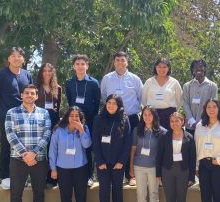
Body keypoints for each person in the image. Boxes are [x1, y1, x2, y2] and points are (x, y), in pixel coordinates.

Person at [5, 84, 51, 202]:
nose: (30, 95)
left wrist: (34, 154)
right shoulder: (12, 113)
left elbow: (47, 134)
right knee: (16, 194)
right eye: (27, 93)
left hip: (39, 160)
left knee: (39, 193)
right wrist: (25, 154)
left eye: (33, 93)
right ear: (21, 95)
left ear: (37, 96)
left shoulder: (44, 113)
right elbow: (10, 135)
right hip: (18, 160)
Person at [0, 47, 33, 190]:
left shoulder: (27, 74)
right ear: (8, 59)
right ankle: (5, 177)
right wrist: (0, 109)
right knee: (7, 145)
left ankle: (22, 177)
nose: (16, 58)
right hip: (6, 116)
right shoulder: (0, 74)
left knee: (24, 145)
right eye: (13, 56)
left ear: (23, 59)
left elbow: (31, 93)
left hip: (24, 116)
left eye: (19, 56)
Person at [101, 51, 143, 186]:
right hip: (112, 118)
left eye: (123, 60)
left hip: (131, 118)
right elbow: (104, 96)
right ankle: (115, 175)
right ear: (114, 62)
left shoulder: (135, 79)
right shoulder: (107, 78)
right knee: (115, 145)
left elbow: (142, 97)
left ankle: (130, 175)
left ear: (127, 62)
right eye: (117, 60)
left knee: (131, 146)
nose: (120, 62)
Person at [49, 106, 91, 202]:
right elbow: (52, 150)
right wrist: (53, 169)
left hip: (80, 168)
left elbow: (87, 145)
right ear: (67, 116)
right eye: (71, 115)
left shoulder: (84, 128)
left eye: (76, 116)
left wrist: (81, 130)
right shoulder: (58, 130)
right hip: (63, 169)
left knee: (81, 197)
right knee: (65, 198)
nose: (74, 118)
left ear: (80, 117)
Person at [92, 94, 131, 202]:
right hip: (103, 164)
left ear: (119, 105)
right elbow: (95, 141)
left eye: (114, 103)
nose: (111, 105)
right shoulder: (98, 119)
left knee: (117, 193)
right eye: (109, 102)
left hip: (118, 164)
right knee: (103, 193)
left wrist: (121, 161)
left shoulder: (124, 119)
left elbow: (127, 142)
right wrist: (99, 161)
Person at [156, 112, 196, 202]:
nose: (174, 123)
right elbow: (159, 156)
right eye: (172, 121)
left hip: (183, 171)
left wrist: (191, 176)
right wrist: (158, 174)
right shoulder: (164, 136)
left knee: (181, 200)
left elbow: (192, 158)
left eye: (177, 121)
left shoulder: (189, 137)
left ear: (182, 122)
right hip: (167, 170)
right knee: (170, 200)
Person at [65, 55, 100, 186]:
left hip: (89, 120)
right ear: (74, 66)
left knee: (88, 148)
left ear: (87, 66)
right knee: (75, 145)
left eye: (82, 64)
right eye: (77, 64)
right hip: (74, 119)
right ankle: (75, 174)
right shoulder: (69, 82)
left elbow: (97, 103)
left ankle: (89, 176)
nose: (80, 66)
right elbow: (70, 101)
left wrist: (91, 117)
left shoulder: (93, 83)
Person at [130, 106, 167, 202]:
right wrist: (130, 168)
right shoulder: (137, 130)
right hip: (139, 166)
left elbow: (164, 153)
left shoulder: (162, 132)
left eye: (149, 115)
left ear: (154, 116)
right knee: (141, 194)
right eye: (144, 114)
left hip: (154, 168)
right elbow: (133, 149)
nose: (147, 117)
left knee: (153, 194)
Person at [35, 63, 62, 188]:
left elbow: (58, 107)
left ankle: (52, 178)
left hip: (53, 121)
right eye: (44, 71)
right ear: (41, 72)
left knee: (52, 149)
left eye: (49, 71)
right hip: (38, 121)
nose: (47, 73)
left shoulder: (58, 88)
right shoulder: (35, 87)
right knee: (39, 150)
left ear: (52, 73)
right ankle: (38, 177)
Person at [142, 57, 182, 130]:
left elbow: (179, 100)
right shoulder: (149, 82)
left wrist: (171, 110)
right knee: (154, 138)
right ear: (155, 67)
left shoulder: (174, 82)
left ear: (168, 68)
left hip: (169, 115)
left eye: (164, 67)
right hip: (152, 115)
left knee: (167, 138)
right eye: (159, 67)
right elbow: (144, 99)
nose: (161, 69)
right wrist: (150, 111)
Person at [182, 59, 218, 135]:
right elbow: (185, 104)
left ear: (205, 68)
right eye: (195, 67)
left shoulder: (212, 86)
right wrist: (192, 122)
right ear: (192, 69)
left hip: (206, 125)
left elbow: (213, 106)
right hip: (190, 126)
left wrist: (202, 121)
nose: (198, 68)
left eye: (201, 66)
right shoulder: (187, 86)